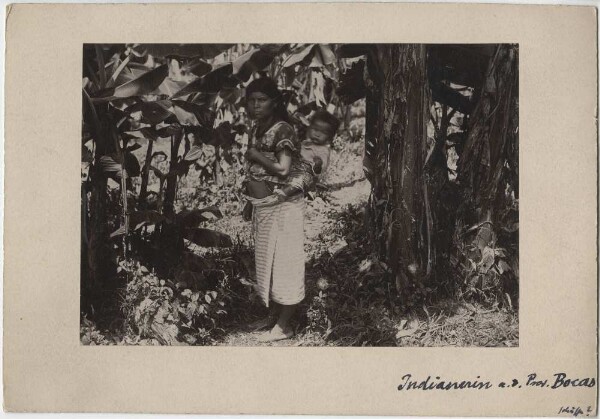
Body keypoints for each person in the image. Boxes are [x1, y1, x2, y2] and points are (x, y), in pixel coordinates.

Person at [242, 77, 305, 342]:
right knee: (268, 261)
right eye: (252, 100)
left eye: (262, 100)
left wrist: (255, 155)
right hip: (265, 207)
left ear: (274, 102)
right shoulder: (259, 127)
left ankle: (285, 325)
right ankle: (274, 315)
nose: (256, 105)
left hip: (284, 205)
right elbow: (254, 172)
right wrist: (250, 201)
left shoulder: (283, 130)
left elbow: (283, 168)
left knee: (286, 262)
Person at [245, 110, 340, 208]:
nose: (317, 134)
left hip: (308, 174)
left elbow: (320, 168)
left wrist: (318, 164)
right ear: (309, 127)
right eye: (315, 129)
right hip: (296, 169)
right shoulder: (305, 142)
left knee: (301, 178)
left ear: (330, 136)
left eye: (323, 132)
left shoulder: (323, 150)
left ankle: (284, 193)